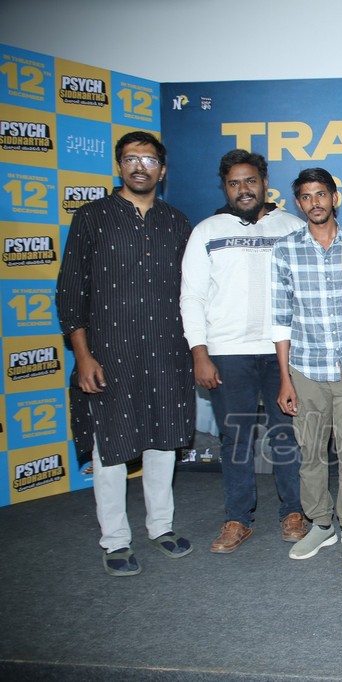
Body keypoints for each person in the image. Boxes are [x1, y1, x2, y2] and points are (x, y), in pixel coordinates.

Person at [56, 130, 195, 576]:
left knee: (163, 442)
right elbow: (70, 293)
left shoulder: (177, 222)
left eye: (149, 160)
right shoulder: (91, 218)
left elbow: (192, 293)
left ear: (162, 170)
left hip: (167, 351)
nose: (140, 166)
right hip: (109, 354)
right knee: (111, 448)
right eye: (132, 158)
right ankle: (115, 540)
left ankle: (161, 527)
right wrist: (83, 356)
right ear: (119, 165)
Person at [180, 149, 308, 553]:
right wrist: (199, 352)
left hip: (283, 351)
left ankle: (294, 512)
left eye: (250, 181)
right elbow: (192, 296)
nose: (243, 189)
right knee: (235, 438)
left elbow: (307, 290)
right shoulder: (206, 231)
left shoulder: (292, 227)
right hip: (227, 351)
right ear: (225, 187)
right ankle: (237, 518)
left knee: (287, 435)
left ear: (265, 183)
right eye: (234, 183)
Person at [270, 168, 342, 562]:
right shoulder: (285, 250)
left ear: (334, 197)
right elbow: (280, 318)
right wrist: (285, 379)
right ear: (298, 203)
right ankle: (322, 525)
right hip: (305, 370)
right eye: (306, 197)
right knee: (311, 454)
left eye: (321, 194)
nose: (315, 203)